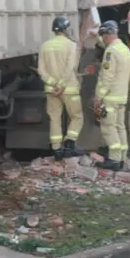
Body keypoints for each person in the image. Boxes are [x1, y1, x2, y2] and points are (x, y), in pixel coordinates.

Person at [37, 16, 83, 159]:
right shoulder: (71, 45)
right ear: (66, 29)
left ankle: (56, 149)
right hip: (69, 89)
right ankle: (69, 144)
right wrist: (61, 85)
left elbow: (41, 70)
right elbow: (70, 68)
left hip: (51, 90)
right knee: (77, 117)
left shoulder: (44, 46)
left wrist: (53, 83)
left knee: (54, 118)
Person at [93, 20, 130, 170]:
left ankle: (114, 160)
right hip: (122, 97)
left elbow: (107, 77)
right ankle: (122, 158)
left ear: (108, 34)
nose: (102, 39)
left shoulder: (110, 52)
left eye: (103, 36)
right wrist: (96, 37)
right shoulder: (124, 49)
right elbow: (107, 46)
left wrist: (99, 96)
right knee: (120, 127)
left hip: (110, 97)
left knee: (108, 128)